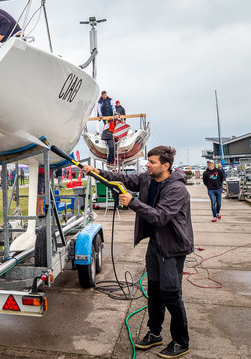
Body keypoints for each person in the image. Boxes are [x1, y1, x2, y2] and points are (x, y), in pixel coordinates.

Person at [83, 146, 193, 358]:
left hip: (172, 248)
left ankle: (181, 341)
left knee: (170, 294)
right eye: (147, 161)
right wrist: (94, 172)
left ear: (166, 165)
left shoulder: (177, 189)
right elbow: (120, 178)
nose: (147, 165)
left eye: (152, 162)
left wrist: (133, 202)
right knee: (154, 291)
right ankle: (155, 333)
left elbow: (160, 217)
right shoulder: (148, 179)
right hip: (155, 245)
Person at [97, 91, 117, 165]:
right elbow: (98, 108)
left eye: (105, 95)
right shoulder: (100, 102)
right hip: (105, 117)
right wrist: (100, 115)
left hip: (110, 114)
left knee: (111, 148)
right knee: (111, 148)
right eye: (103, 95)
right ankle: (110, 161)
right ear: (102, 96)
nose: (104, 96)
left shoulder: (110, 100)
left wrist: (115, 114)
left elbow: (113, 107)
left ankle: (110, 161)